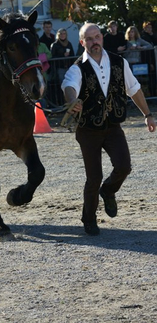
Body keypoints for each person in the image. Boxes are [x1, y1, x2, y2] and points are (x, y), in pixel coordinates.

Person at [61, 23, 156, 236]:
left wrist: (148, 115)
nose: (95, 42)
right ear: (82, 42)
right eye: (90, 39)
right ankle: (89, 219)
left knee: (124, 167)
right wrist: (72, 100)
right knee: (93, 177)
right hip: (88, 130)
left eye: (97, 37)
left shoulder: (118, 62)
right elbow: (69, 87)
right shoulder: (77, 68)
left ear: (102, 38)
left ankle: (109, 190)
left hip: (113, 126)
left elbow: (135, 90)